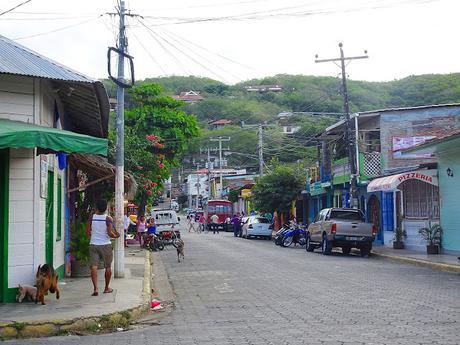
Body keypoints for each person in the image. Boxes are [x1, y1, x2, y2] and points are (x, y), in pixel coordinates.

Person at [86, 199, 120, 296]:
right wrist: (116, 236)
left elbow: (87, 233)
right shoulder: (108, 219)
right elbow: (110, 234)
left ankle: (95, 288)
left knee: (94, 266)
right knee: (108, 267)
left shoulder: (92, 218)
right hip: (105, 245)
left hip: (93, 244)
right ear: (105, 208)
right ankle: (106, 288)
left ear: (96, 207)